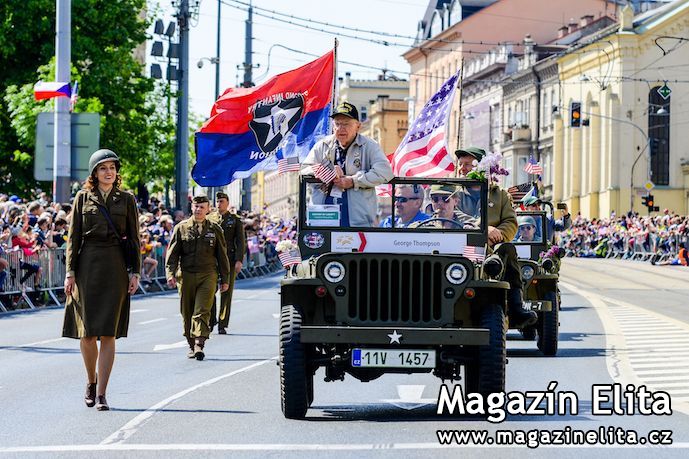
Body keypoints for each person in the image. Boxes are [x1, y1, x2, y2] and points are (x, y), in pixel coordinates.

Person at [62, 149, 141, 411]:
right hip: (87, 266)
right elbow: (73, 238)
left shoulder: (127, 199)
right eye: (103, 168)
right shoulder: (82, 198)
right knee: (87, 333)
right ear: (94, 173)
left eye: (112, 167)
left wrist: (135, 272)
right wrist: (69, 272)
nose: (109, 172)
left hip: (115, 265)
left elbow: (135, 238)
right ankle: (90, 381)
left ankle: (103, 394)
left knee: (109, 333)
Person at [455, 146, 537, 328]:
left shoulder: (500, 195)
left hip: (493, 251)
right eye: (460, 165)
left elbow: (511, 222)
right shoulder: (454, 193)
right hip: (461, 247)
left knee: (508, 249)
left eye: (467, 164)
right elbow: (454, 215)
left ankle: (515, 306)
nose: (462, 169)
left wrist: (496, 234)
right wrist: (484, 230)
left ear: (480, 167)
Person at [301, 101, 393, 227]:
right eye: (337, 124)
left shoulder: (369, 146)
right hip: (323, 217)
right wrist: (327, 173)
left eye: (346, 124)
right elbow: (304, 169)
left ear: (358, 126)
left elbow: (385, 172)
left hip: (358, 221)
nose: (341, 128)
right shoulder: (323, 145)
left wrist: (354, 181)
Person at [165, 195, 231, 360]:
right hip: (186, 275)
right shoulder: (181, 228)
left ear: (208, 209)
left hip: (208, 275)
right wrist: (170, 274)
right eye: (196, 207)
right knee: (187, 312)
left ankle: (199, 344)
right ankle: (190, 344)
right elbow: (172, 254)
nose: (198, 210)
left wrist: (225, 279)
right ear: (191, 208)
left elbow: (222, 256)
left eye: (202, 207)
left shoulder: (215, 229)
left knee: (202, 310)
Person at [208, 191, 246, 334]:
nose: (219, 204)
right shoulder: (210, 218)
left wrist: (239, 260)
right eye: (217, 201)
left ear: (227, 203)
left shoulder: (234, 219)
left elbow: (240, 242)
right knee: (210, 290)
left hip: (229, 260)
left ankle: (223, 323)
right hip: (213, 260)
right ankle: (212, 319)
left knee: (226, 292)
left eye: (222, 201)